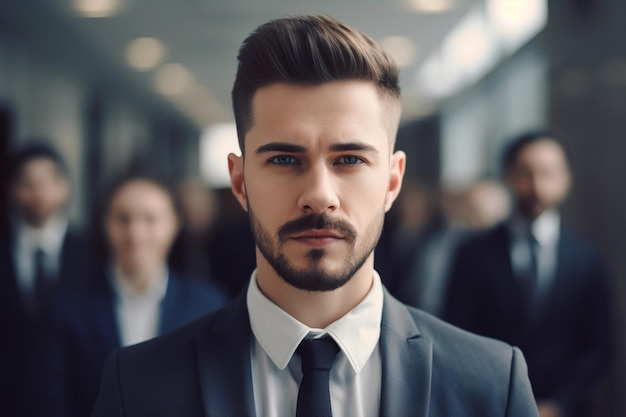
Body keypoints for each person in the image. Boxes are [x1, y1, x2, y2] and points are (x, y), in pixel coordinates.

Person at [92, 15, 539, 417]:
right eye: (285, 160)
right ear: (240, 181)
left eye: (349, 160)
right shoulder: (136, 387)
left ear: (392, 181)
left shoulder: (491, 385)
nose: (319, 197)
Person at [444, 132, 614, 417]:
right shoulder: (473, 254)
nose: (537, 185)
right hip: (491, 405)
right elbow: (457, 333)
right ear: (509, 177)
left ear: (566, 178)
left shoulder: (587, 259)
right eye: (526, 173)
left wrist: (559, 405)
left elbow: (598, 347)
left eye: (548, 173)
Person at [45, 171, 229, 417]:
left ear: (175, 224)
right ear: (105, 224)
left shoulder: (208, 304)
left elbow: (220, 394)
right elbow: (53, 398)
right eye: (123, 219)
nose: (135, 234)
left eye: (150, 219)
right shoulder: (69, 307)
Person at [0, 142, 94, 417]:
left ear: (66, 186)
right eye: (27, 183)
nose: (39, 192)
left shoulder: (91, 252)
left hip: (76, 400)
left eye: (49, 181)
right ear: (11, 190)